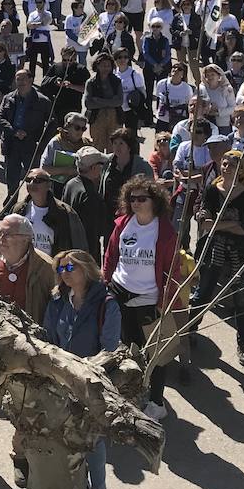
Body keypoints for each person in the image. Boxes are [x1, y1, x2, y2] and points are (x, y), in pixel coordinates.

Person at [0, 214, 57, 482]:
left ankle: (20, 457)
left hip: (26, 349)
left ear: (26, 239)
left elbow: (53, 309)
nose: (1, 239)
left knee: (25, 407)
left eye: (7, 235)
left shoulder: (45, 267)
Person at [43, 249, 122, 489]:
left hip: (91, 382)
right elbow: (49, 338)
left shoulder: (106, 303)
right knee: (63, 437)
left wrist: (83, 371)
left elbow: (110, 348)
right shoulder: (57, 300)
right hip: (60, 380)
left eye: (70, 268)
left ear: (87, 270)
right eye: (61, 269)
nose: (64, 274)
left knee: (93, 441)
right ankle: (71, 487)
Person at [102, 176, 186, 421]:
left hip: (149, 300)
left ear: (155, 200)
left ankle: (157, 402)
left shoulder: (165, 231)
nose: (136, 203)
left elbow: (173, 269)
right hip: (119, 293)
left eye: (142, 198)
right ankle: (130, 392)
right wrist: (107, 282)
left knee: (156, 354)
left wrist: (165, 301)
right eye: (132, 198)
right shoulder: (123, 223)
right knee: (125, 349)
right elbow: (111, 254)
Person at [193, 150, 244, 369]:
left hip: (239, 251)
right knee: (202, 293)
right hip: (213, 249)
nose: (226, 168)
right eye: (224, 164)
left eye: (232, 165)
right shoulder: (213, 189)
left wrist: (216, 224)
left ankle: (243, 344)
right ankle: (189, 332)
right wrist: (214, 220)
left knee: (242, 299)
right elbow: (204, 213)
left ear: (241, 170)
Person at [0, 69, 53, 195]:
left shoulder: (43, 101)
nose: (21, 82)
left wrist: (42, 143)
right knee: (12, 180)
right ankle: (11, 207)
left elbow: (52, 123)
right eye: (18, 79)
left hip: (31, 145)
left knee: (35, 179)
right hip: (12, 145)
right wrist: (14, 131)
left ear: (31, 80)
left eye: (23, 79)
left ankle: (33, 204)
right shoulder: (8, 98)